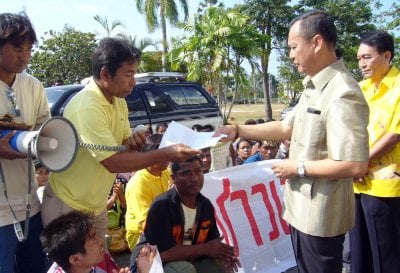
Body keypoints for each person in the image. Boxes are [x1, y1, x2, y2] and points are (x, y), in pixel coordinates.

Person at [215, 10, 369, 273]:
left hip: (321, 216)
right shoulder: (313, 86)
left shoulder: (343, 92)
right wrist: (238, 130)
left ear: (317, 42)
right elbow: (286, 127)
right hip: (301, 210)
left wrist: (296, 167)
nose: (290, 55)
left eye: (294, 47)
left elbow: (354, 164)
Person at [41, 38, 199, 242]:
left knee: (99, 264)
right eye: (129, 74)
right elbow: (113, 162)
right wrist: (166, 154)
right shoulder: (87, 107)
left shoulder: (118, 100)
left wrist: (135, 142)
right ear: (106, 74)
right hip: (69, 206)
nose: (133, 82)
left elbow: (123, 147)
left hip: (95, 205)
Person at [0, 12, 50, 273]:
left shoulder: (33, 86)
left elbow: (47, 132)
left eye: (29, 48)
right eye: (18, 48)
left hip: (29, 204)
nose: (25, 55)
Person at [350, 30, 400, 273]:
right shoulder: (360, 89)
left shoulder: (399, 87)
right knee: (360, 253)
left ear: (387, 55)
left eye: (367, 57)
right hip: (357, 182)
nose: (361, 63)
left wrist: (360, 163)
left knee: (386, 254)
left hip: (385, 187)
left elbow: (394, 134)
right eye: (359, 58)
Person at [141, 156, 240, 273]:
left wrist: (223, 256)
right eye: (186, 173)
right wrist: (206, 249)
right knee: (182, 269)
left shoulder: (205, 205)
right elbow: (160, 254)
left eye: (198, 171)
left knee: (219, 267)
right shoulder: (162, 206)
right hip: (154, 263)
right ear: (173, 178)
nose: (194, 178)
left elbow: (212, 243)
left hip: (191, 260)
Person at [40, 210, 131, 273]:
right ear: (76, 259)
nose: (101, 241)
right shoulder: (97, 261)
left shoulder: (102, 261)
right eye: (94, 239)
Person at [125, 134, 170, 250]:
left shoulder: (167, 173)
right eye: (162, 155)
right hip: (142, 235)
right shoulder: (138, 183)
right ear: (150, 156)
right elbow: (146, 224)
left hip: (165, 225)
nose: (167, 158)